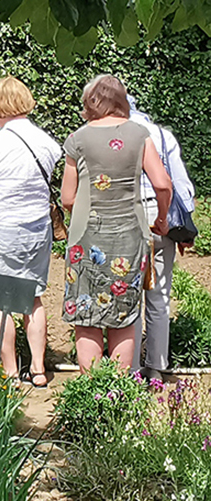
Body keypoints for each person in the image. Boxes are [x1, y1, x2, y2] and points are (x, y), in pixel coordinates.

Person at [59, 74, 173, 372]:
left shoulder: (77, 139)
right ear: (121, 100)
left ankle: (93, 394)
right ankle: (118, 398)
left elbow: (67, 198)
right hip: (130, 237)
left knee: (86, 318)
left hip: (86, 236)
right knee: (123, 316)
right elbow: (162, 184)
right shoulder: (139, 135)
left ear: (89, 103)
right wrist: (161, 220)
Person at [0, 76, 62, 388]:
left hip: (0, 228)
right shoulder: (48, 143)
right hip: (37, 228)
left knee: (0, 299)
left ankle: (10, 369)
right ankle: (37, 368)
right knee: (32, 297)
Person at [127, 93, 197, 381]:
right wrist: (184, 230)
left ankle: (128, 370)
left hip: (127, 216)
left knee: (127, 295)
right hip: (161, 216)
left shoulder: (112, 135)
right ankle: (156, 368)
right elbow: (179, 184)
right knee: (159, 295)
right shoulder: (162, 135)